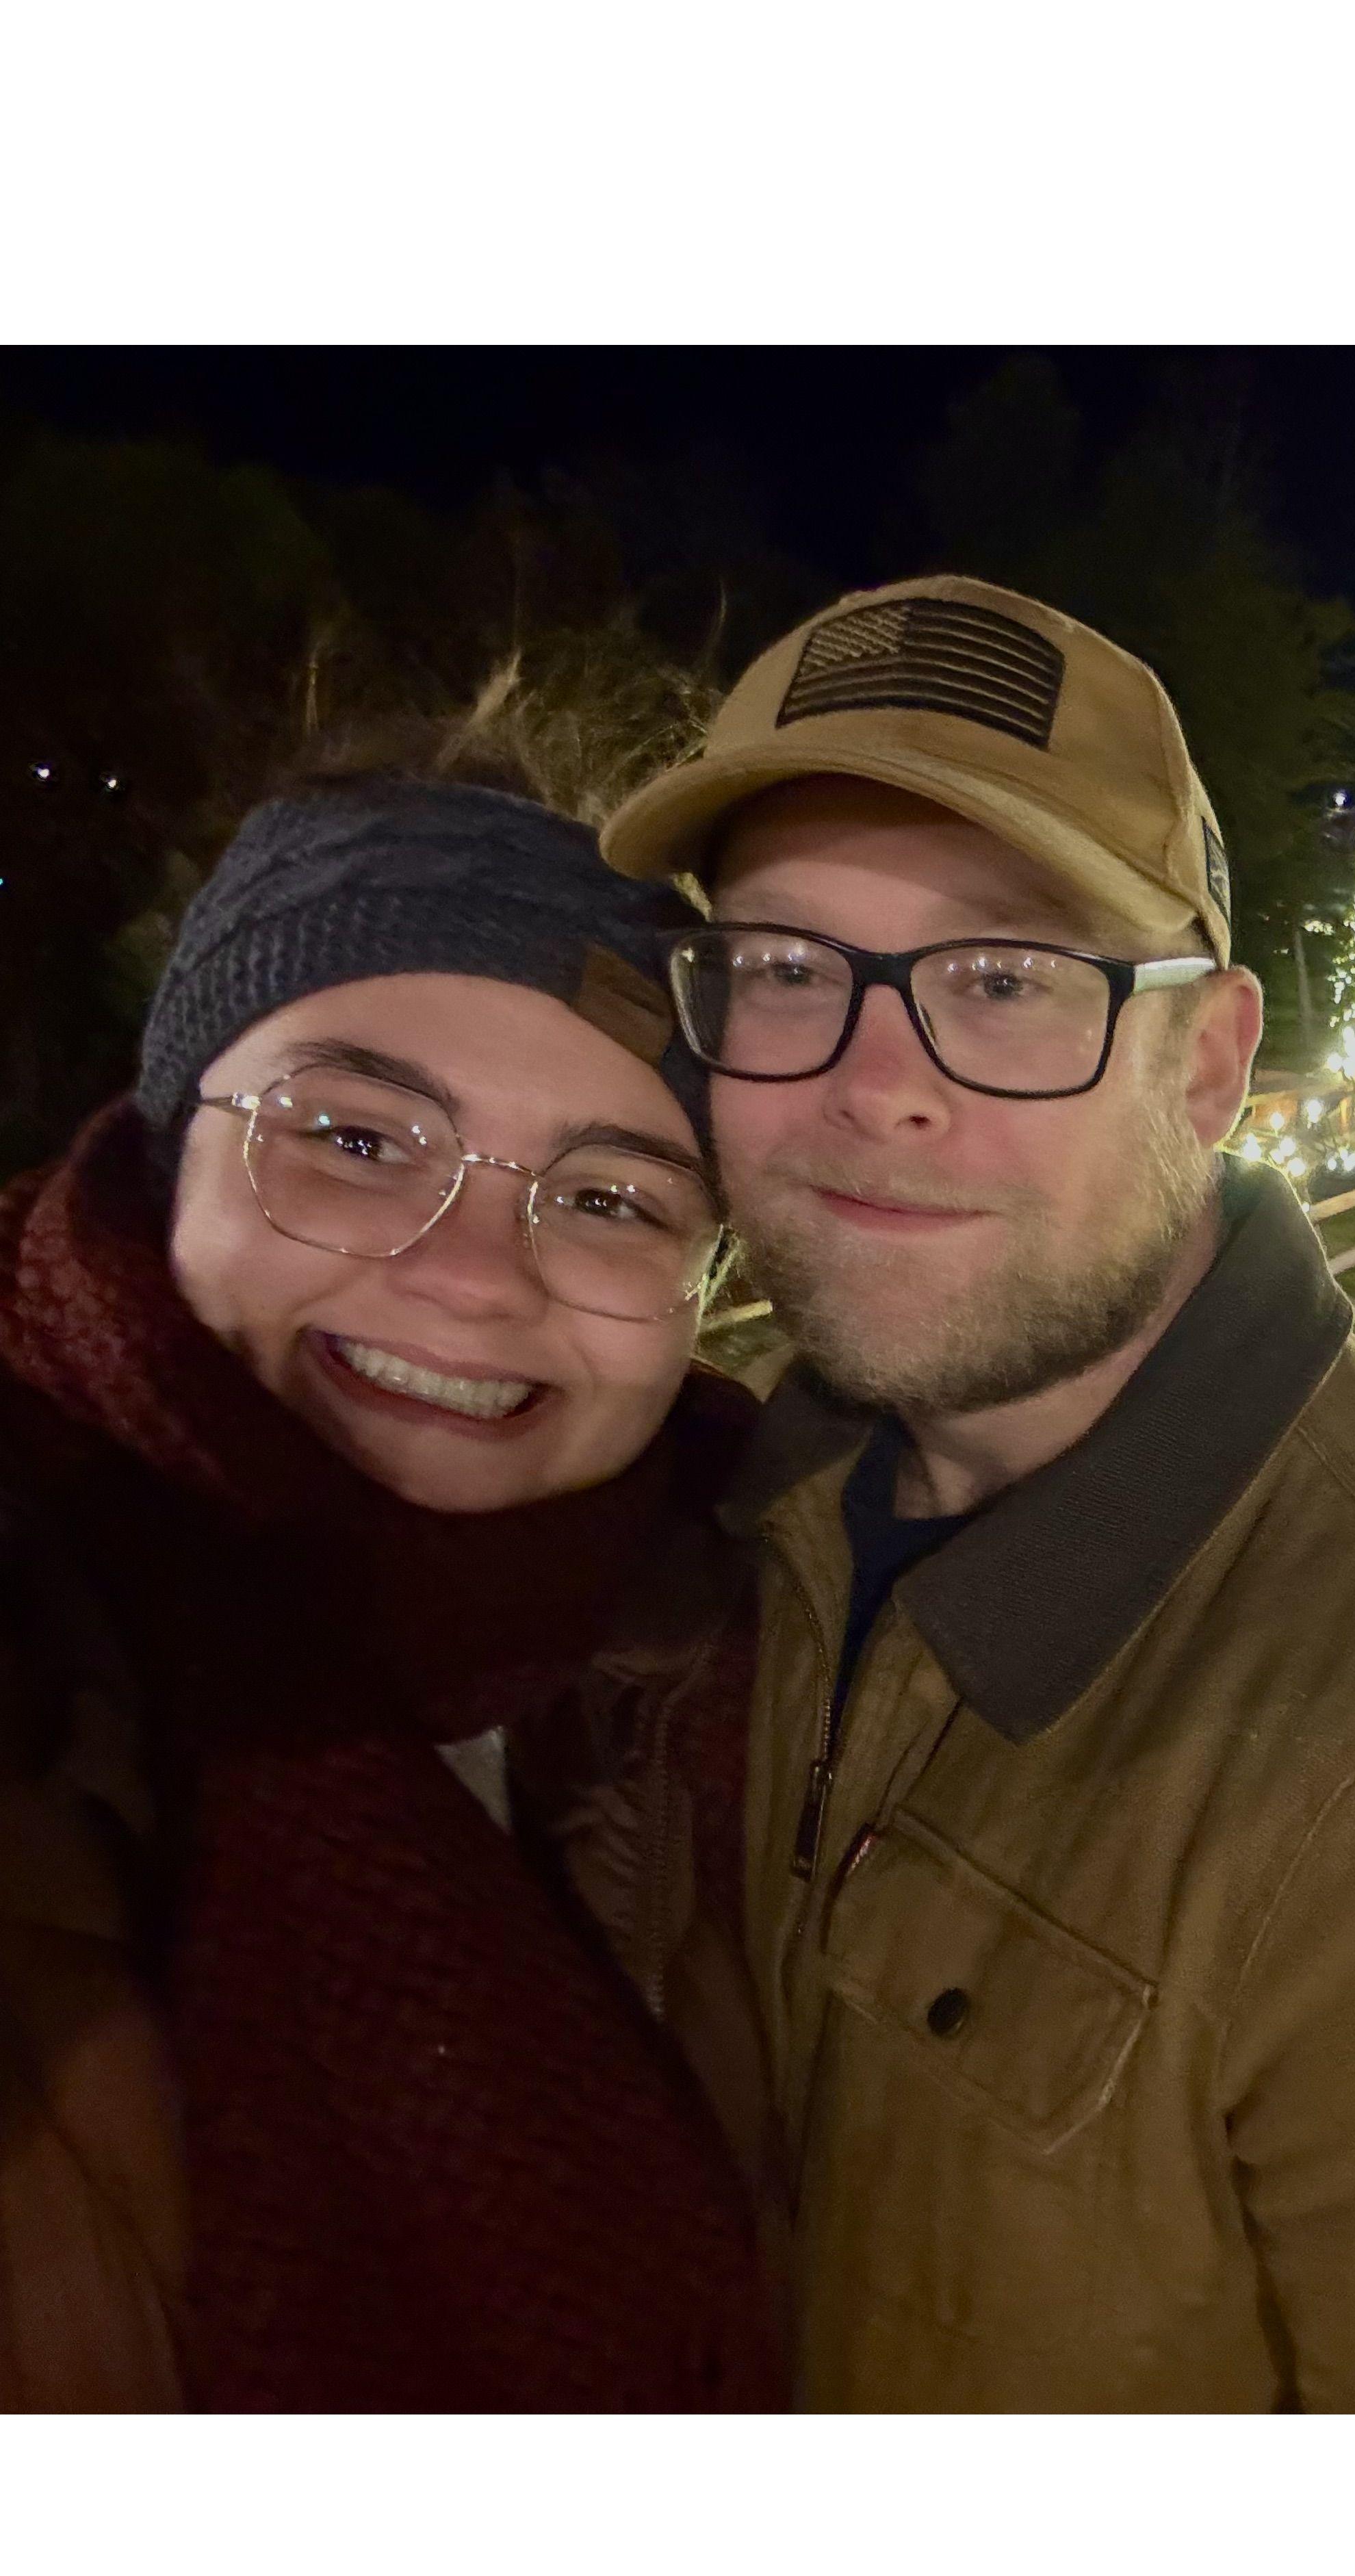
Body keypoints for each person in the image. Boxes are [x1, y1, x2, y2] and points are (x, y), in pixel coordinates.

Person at [600, 574, 1355, 2410]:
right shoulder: (747, 1490)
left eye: (1005, 983)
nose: (873, 1087)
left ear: (1210, 1063)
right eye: (787, 973)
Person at [0, 762, 779, 2410]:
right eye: (356, 1139)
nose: (472, 1278)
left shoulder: (775, 1633)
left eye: (608, 1199)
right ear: (167, 1154)